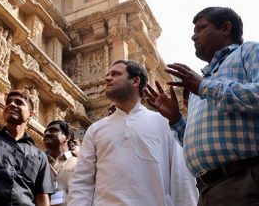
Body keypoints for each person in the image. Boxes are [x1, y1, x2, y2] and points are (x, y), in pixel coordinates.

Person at [145, 7, 259, 206]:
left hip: (245, 180)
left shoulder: (248, 52)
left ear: (226, 28)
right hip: (207, 189)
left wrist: (204, 86)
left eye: (201, 29)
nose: (193, 36)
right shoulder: (200, 82)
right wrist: (176, 120)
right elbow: (197, 140)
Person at [68, 60, 197, 206]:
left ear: (135, 81)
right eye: (107, 75)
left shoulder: (165, 123)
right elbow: (82, 181)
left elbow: (181, 179)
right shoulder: (95, 129)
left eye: (115, 74)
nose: (107, 78)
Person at [43, 120, 78, 206]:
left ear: (67, 137)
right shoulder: (38, 162)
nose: (47, 133)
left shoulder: (80, 163)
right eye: (46, 131)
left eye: (53, 130)